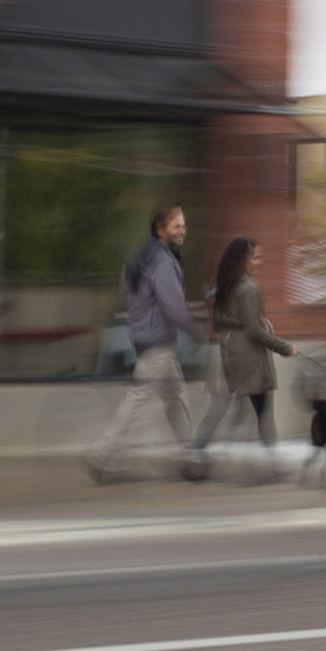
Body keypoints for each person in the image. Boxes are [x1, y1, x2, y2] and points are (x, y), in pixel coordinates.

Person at [84, 205, 196, 482]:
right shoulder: (162, 261)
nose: (182, 231)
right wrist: (196, 327)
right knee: (139, 401)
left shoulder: (141, 257)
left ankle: (189, 455)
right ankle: (102, 453)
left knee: (175, 398)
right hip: (157, 341)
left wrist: (142, 321)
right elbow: (172, 304)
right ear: (160, 228)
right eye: (177, 226)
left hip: (150, 339)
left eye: (183, 226)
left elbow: (129, 296)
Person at [193, 235, 292, 470]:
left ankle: (197, 452)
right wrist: (285, 347)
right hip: (248, 357)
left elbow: (221, 323)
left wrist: (250, 320)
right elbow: (253, 330)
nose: (260, 262)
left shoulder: (227, 285)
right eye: (256, 258)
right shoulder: (248, 288)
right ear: (244, 259)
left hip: (229, 353)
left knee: (223, 408)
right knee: (263, 408)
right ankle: (273, 464)